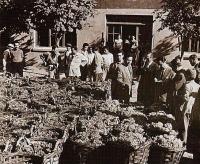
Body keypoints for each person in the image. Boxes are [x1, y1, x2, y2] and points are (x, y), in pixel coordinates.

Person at [174, 69, 200, 144]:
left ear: (188, 76)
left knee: (184, 127)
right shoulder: (198, 85)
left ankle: (184, 143)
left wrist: (178, 96)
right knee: (190, 127)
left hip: (186, 107)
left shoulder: (187, 85)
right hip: (194, 108)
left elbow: (185, 98)